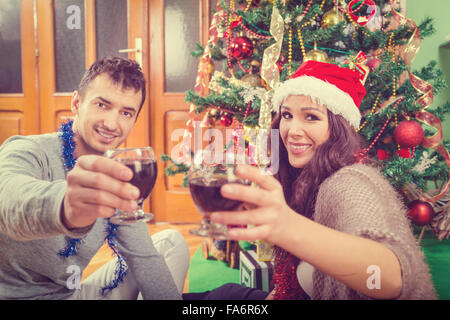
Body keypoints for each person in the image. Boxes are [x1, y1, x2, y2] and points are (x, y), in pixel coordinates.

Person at [184, 60, 437, 300]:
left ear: (338, 128)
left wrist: (287, 227)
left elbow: (389, 278)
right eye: (286, 115)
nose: (293, 131)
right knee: (222, 293)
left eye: (311, 117)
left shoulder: (351, 181)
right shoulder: (302, 177)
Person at [0, 56, 189, 299]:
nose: (112, 123)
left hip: (70, 295)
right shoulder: (29, 150)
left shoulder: (116, 178)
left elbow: (144, 258)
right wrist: (67, 205)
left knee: (171, 243)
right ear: (77, 103)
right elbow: (7, 197)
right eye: (102, 105)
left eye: (126, 113)